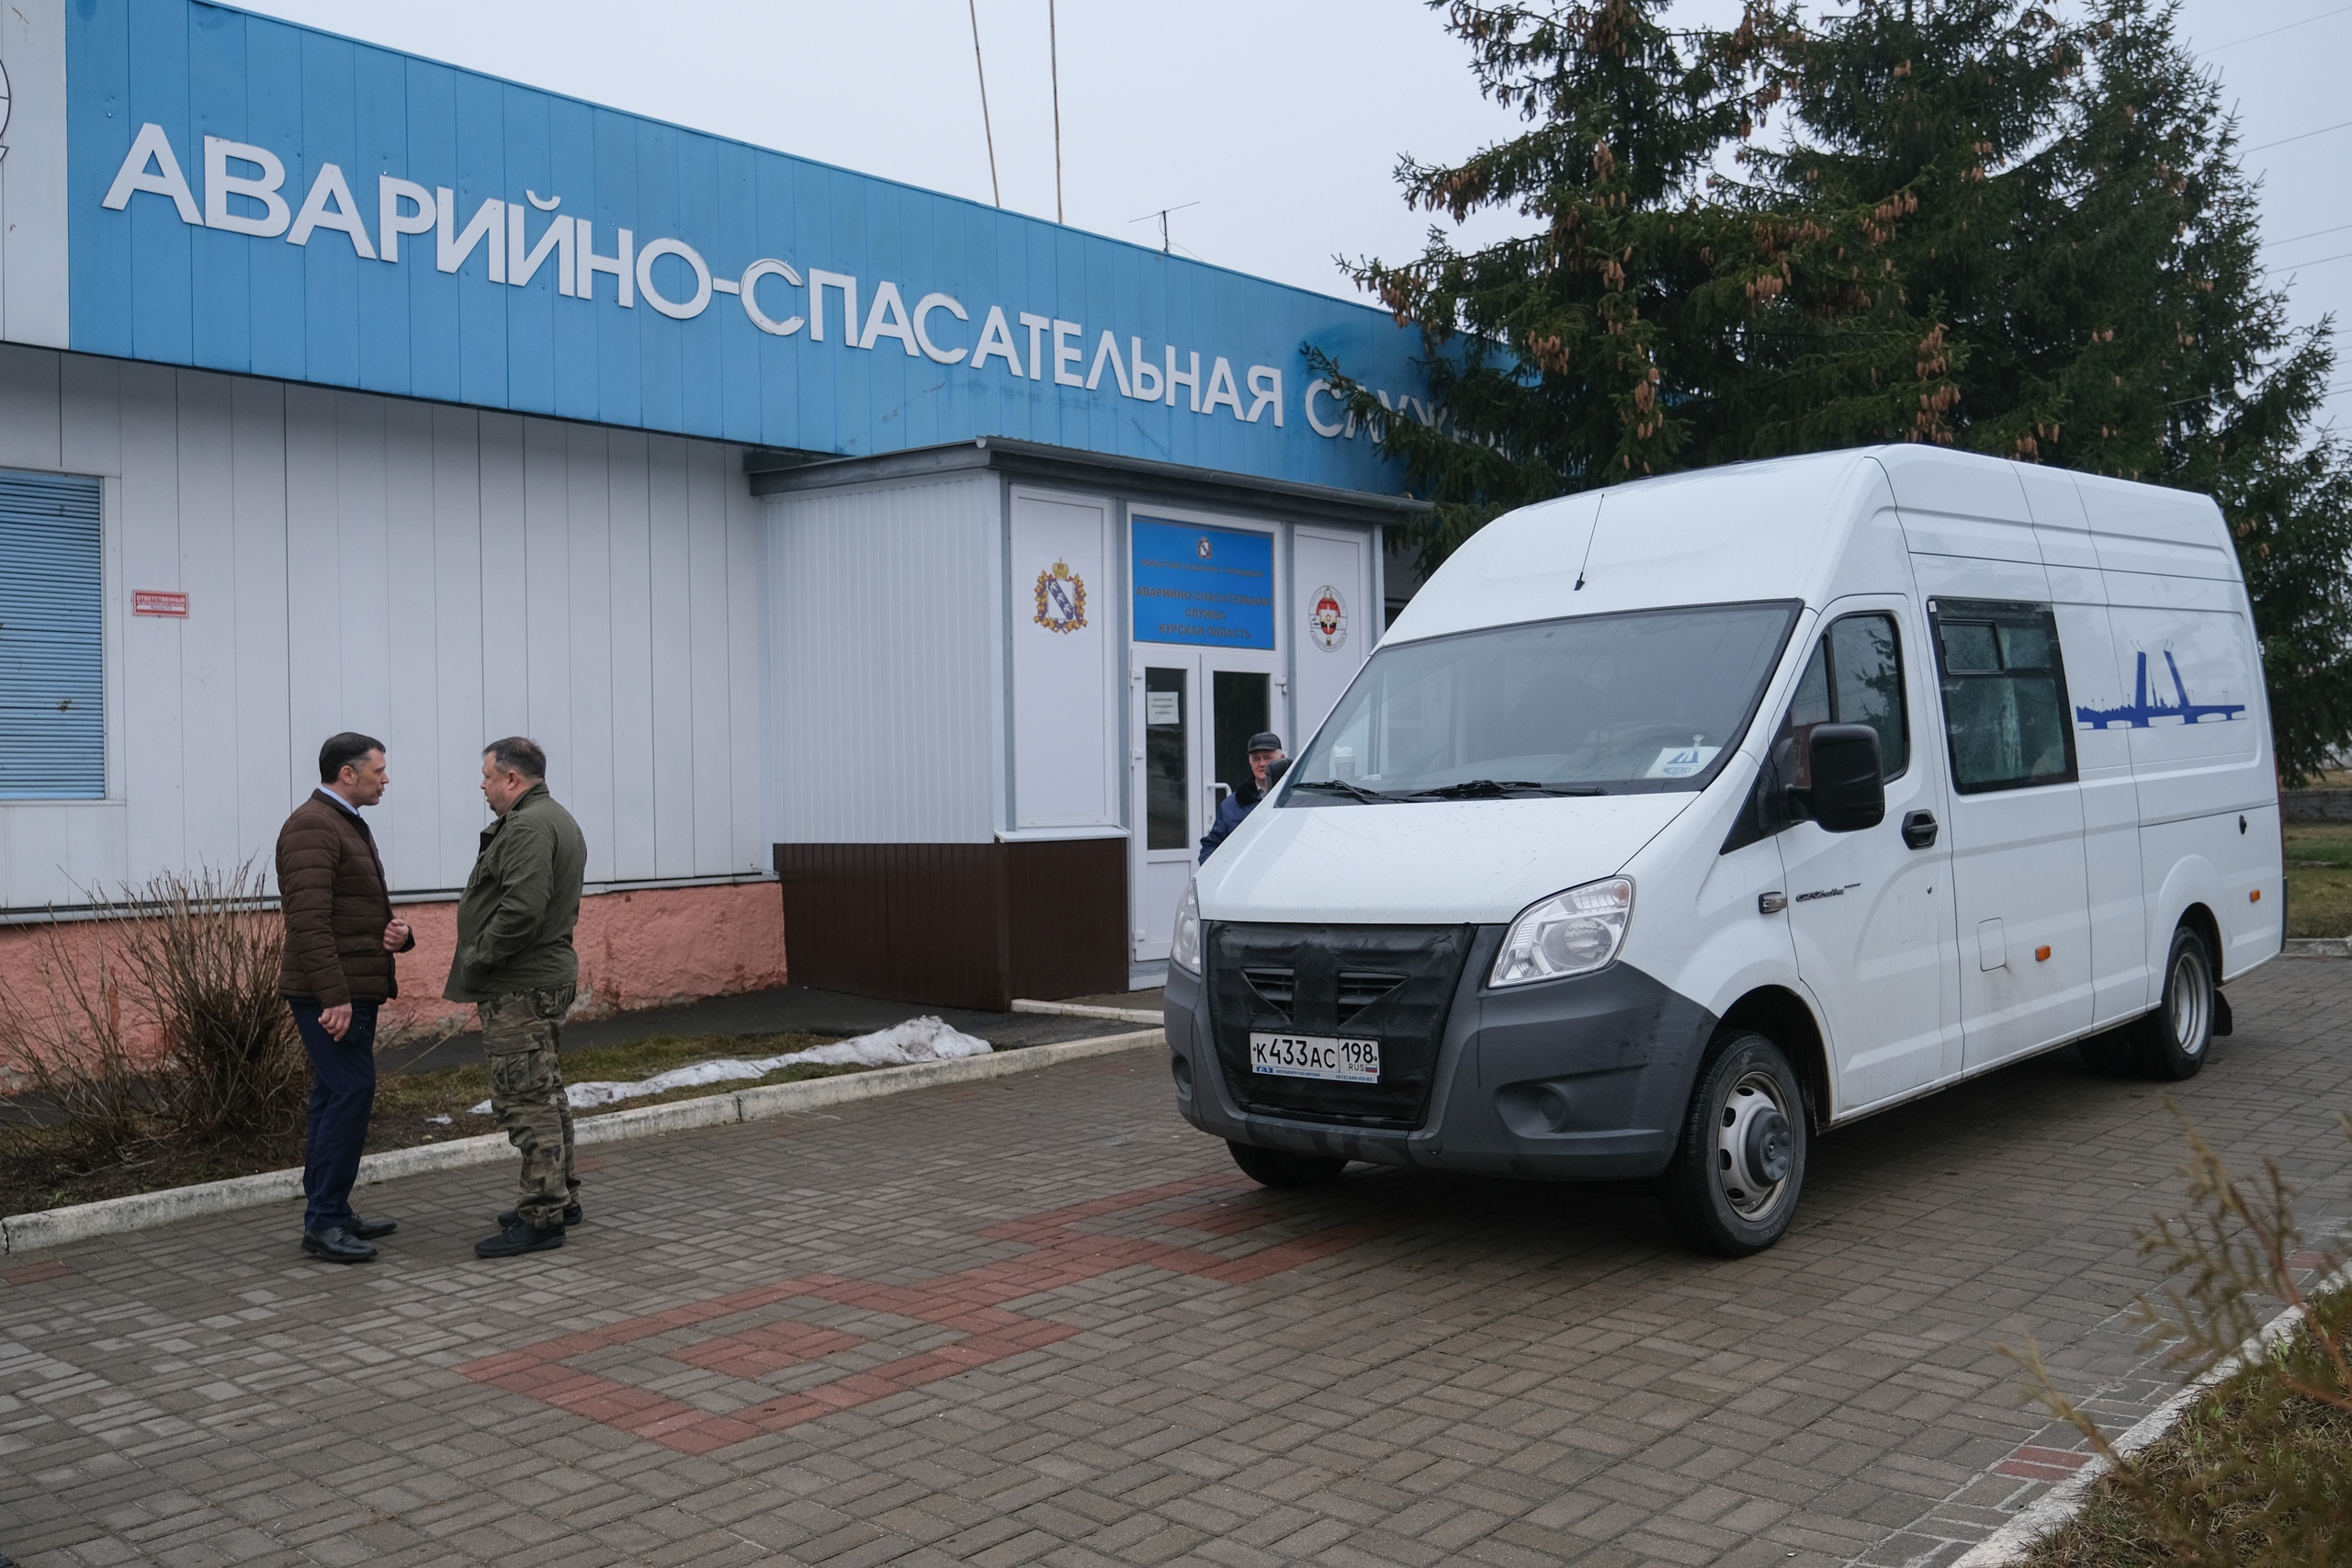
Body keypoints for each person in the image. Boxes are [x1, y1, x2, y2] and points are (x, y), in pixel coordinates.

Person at [446, 737, 589, 1258]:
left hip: (521, 984)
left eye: (487, 776)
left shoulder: (528, 825)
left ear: (512, 778)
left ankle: (543, 1215)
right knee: (545, 1091)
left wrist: (479, 956)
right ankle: (560, 1198)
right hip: (537, 979)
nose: (481, 786)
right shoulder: (554, 817)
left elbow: (523, 909)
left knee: (524, 1099)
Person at [277, 732, 415, 1264]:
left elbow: (349, 911)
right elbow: (308, 922)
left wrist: (398, 935)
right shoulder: (312, 826)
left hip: (351, 986)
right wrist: (333, 997)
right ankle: (325, 1222)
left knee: (333, 1094)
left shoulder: (343, 822)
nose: (386, 779)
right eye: (379, 771)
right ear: (347, 773)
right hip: (331, 993)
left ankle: (330, 1209)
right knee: (352, 1090)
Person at [1198, 731, 1286, 863]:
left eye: (1268, 757)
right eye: (1256, 759)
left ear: (1282, 758)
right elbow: (1211, 846)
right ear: (1249, 762)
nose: (1262, 764)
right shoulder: (1231, 806)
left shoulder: (1300, 800)